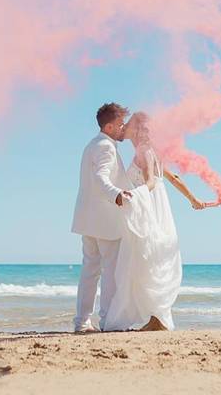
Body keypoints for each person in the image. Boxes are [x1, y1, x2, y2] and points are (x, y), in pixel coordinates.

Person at [103, 112, 209, 332]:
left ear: (137, 130)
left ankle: (155, 318)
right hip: (161, 211)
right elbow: (172, 179)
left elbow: (151, 181)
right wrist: (193, 199)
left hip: (148, 210)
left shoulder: (144, 152)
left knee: (143, 261)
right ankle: (156, 317)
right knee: (151, 261)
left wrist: (134, 196)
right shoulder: (152, 151)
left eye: (128, 125)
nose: (124, 128)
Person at [71, 102, 133, 333]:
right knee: (110, 272)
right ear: (108, 127)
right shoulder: (106, 147)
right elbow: (100, 177)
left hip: (88, 219)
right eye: (120, 124)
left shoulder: (92, 144)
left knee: (90, 272)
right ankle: (107, 321)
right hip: (105, 220)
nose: (123, 128)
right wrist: (116, 194)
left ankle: (82, 321)